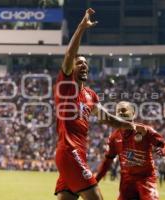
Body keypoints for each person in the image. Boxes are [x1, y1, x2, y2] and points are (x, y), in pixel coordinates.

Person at [54, 9, 140, 200]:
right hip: (70, 152)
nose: (83, 65)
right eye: (79, 63)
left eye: (85, 63)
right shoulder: (66, 86)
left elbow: (107, 118)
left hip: (78, 154)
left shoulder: (91, 95)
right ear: (71, 68)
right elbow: (69, 55)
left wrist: (130, 124)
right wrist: (81, 28)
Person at [95, 101, 165, 200]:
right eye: (119, 112)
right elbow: (107, 161)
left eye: (124, 111)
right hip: (127, 181)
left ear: (133, 114)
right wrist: (95, 180)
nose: (121, 114)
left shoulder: (145, 130)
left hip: (145, 178)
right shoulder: (114, 137)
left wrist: (164, 150)